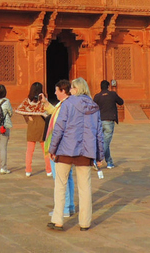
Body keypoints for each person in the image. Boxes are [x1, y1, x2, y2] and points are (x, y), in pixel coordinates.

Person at [47, 77, 104, 232]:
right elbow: (99, 133)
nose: (70, 90)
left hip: (66, 149)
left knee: (60, 185)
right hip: (86, 152)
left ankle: (58, 220)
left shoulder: (68, 104)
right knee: (85, 188)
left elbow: (59, 128)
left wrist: (52, 149)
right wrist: (99, 156)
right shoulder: (94, 107)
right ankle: (85, 222)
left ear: (77, 89)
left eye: (72, 88)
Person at [43, 80, 75, 218]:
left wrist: (53, 148)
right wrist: (45, 103)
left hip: (60, 147)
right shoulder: (63, 104)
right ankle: (69, 206)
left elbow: (60, 127)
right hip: (64, 146)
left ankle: (64, 208)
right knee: (67, 178)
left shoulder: (65, 106)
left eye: (57, 90)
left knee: (60, 180)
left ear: (63, 91)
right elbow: (54, 113)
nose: (55, 93)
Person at [15, 82, 52, 177]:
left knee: (29, 150)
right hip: (42, 125)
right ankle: (49, 170)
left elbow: (21, 110)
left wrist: (28, 117)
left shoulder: (27, 101)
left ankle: (28, 170)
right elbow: (48, 111)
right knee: (46, 150)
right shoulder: (43, 100)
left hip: (32, 126)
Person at [93, 80, 124, 169]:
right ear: (108, 86)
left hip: (99, 121)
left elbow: (93, 107)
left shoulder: (97, 96)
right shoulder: (112, 94)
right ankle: (96, 158)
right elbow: (121, 102)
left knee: (104, 142)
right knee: (105, 142)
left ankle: (109, 162)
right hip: (109, 121)